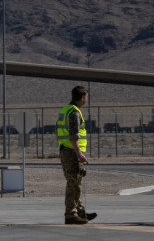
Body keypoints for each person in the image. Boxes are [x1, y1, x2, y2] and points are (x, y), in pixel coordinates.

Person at [56, 86, 97, 225]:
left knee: (77, 182)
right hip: (71, 152)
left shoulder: (65, 110)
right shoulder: (74, 112)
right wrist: (79, 153)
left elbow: (59, 133)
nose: (87, 99)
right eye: (86, 96)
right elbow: (73, 136)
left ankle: (80, 211)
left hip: (66, 150)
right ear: (82, 97)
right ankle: (70, 214)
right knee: (73, 183)